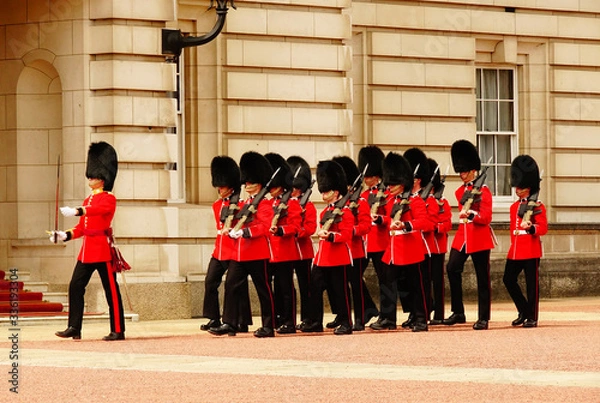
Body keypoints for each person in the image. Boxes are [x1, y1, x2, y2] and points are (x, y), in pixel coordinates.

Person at [51, 141, 126, 341]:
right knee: (75, 286)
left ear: (103, 178)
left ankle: (118, 329)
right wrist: (64, 235)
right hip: (87, 251)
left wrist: (78, 210)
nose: (90, 178)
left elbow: (98, 212)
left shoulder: (109, 199)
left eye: (93, 175)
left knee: (111, 292)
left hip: (102, 250)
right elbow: (82, 228)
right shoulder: (87, 200)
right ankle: (74, 326)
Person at [209, 151, 277, 338]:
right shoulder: (244, 202)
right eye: (245, 182)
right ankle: (230, 323)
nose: (247, 185)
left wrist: (245, 232)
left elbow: (264, 226)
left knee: (263, 290)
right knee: (231, 286)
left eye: (250, 182)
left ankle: (269, 326)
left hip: (257, 253)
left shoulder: (264, 203)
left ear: (259, 183)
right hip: (239, 254)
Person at [372, 151, 431, 332]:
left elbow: (424, 222)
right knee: (387, 284)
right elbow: (391, 221)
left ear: (403, 182)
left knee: (416, 286)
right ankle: (388, 318)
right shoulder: (392, 200)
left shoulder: (415, 201)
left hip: (411, 248)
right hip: (394, 249)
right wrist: (380, 220)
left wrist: (406, 225)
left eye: (393, 183)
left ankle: (421, 319)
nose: (389, 187)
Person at [443, 140, 495, 330]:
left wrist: (473, 214)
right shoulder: (460, 192)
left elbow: (486, 217)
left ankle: (483, 317)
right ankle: (458, 311)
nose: (462, 175)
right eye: (460, 171)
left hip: (479, 237)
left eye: (465, 171)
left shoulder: (484, 192)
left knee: (483, 277)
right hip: (463, 237)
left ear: (473, 170)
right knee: (452, 268)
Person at [299, 160, 354, 335]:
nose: (323, 195)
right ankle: (315, 321)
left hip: (338, 257)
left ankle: (346, 322)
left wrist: (331, 236)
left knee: (340, 291)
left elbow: (346, 235)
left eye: (326, 191)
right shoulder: (324, 212)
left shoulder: (346, 211)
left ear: (336, 191)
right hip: (322, 258)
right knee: (314, 289)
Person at [200, 156, 252, 333]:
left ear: (230, 186)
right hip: (220, 250)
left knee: (237, 286)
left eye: (221, 186)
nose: (219, 189)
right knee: (210, 281)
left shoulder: (240, 204)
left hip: (235, 249)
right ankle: (213, 317)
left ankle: (241, 321)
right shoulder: (216, 205)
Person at [331, 155, 376, 331]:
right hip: (341, 250)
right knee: (340, 285)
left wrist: (351, 231)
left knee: (356, 285)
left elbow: (365, 226)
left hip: (356, 250)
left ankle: (359, 318)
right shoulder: (339, 204)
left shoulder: (360, 202)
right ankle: (343, 316)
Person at [503, 155, 547, 328]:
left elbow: (542, 228)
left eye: (520, 187)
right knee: (508, 279)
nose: (517, 189)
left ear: (528, 187)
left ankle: (532, 317)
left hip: (530, 249)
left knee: (531, 286)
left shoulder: (537, 206)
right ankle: (523, 310)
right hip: (516, 249)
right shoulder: (514, 207)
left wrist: (531, 227)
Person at [264, 152, 302, 334]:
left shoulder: (292, 204)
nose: (271, 189)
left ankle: (289, 321)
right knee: (273, 289)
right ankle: (277, 317)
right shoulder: (267, 203)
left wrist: (280, 230)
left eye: (274, 186)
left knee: (285, 288)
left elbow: (295, 227)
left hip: (285, 251)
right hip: (269, 251)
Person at [401, 147, 433, 329]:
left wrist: (409, 225)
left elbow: (427, 224)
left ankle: (422, 315)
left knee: (420, 283)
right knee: (407, 283)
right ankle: (414, 313)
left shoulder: (422, 200)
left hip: (422, 246)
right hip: (406, 246)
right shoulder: (405, 199)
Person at [286, 155, 317, 329]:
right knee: (288, 286)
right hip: (288, 251)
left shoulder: (308, 206)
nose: (294, 191)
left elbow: (311, 228)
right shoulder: (286, 204)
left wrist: (299, 232)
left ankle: (308, 318)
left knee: (306, 287)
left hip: (303, 251)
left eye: (297, 188)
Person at [357, 145, 386, 327]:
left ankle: (385, 314)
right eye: (365, 176)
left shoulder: (386, 193)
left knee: (385, 280)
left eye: (369, 176)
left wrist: (380, 218)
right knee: (354, 276)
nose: (366, 180)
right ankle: (367, 309)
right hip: (365, 242)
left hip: (381, 241)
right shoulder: (364, 195)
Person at [425, 158, 452, 325]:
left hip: (438, 246)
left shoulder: (442, 203)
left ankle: (439, 314)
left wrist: (436, 227)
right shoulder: (420, 202)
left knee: (438, 281)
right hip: (424, 246)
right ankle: (427, 309)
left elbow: (447, 223)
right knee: (425, 280)